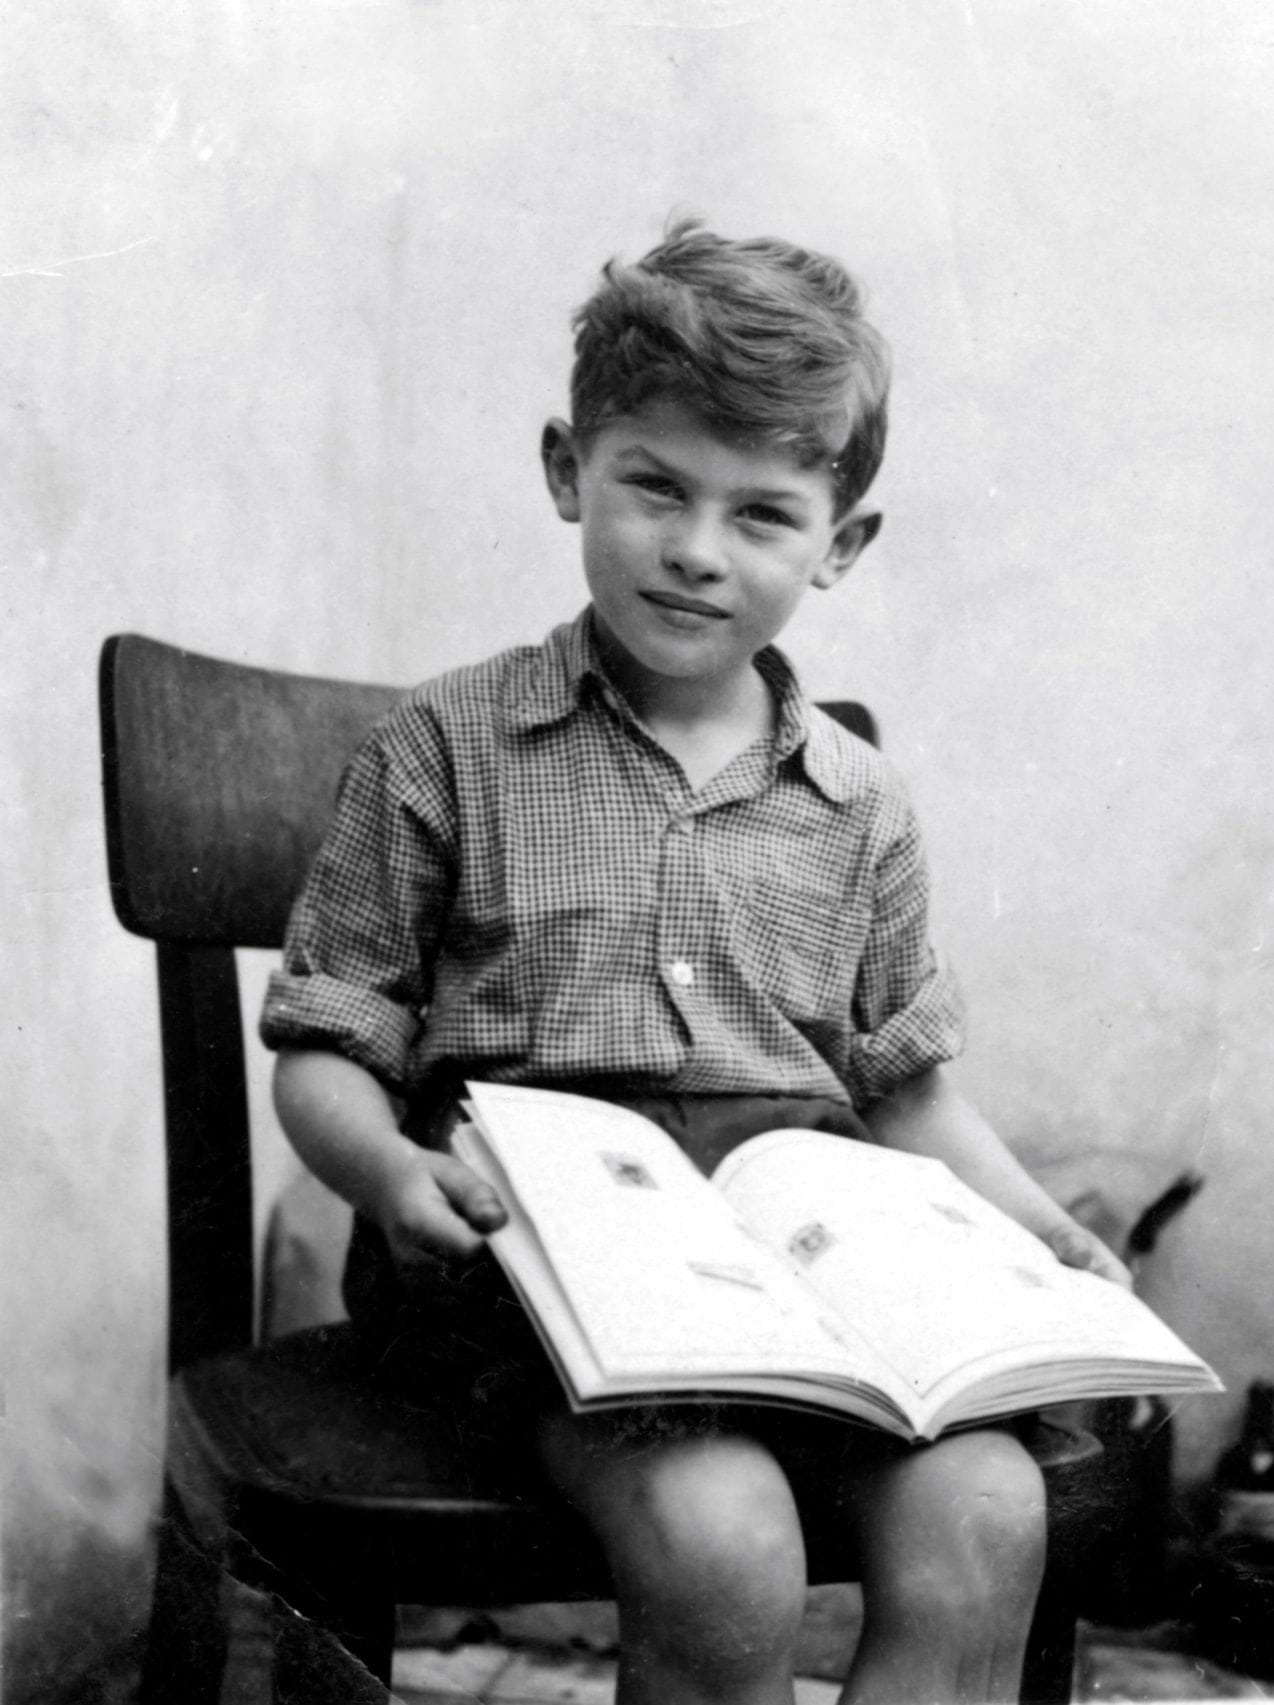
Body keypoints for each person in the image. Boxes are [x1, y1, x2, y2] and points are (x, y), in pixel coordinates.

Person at [259, 217, 1128, 1705]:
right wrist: (392, 1179)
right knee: (726, 1535)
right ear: (565, 470)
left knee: (987, 1506)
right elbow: (328, 1043)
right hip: (531, 1300)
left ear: (839, 544)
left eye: (762, 513)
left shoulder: (858, 804)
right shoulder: (447, 747)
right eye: (653, 484)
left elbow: (907, 1093)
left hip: (800, 1302)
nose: (695, 549)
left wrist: (1044, 1235)